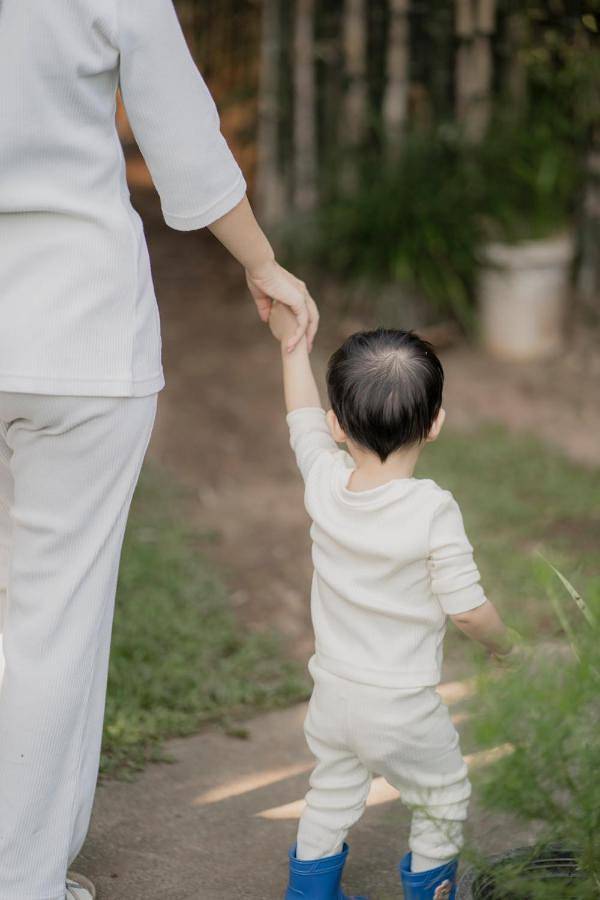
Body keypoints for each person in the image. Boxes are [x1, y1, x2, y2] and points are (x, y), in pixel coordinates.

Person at [0, 2, 317, 899]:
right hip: (79, 336)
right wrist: (261, 263)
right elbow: (185, 142)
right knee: (53, 621)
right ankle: (21, 879)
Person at [268, 304, 516, 900]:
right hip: (402, 707)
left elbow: (300, 417)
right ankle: (430, 892)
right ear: (435, 424)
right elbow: (467, 609)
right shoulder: (431, 510)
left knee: (331, 792)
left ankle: (309, 895)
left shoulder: (324, 482)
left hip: (333, 695)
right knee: (442, 796)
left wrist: (291, 346)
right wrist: (510, 649)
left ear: (337, 425)